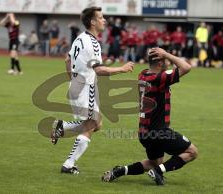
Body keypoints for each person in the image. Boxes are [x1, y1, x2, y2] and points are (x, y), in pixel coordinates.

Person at [50, 7, 134, 174]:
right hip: (85, 88)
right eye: (101, 18)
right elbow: (100, 70)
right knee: (92, 124)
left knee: (97, 124)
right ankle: (68, 164)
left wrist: (73, 80)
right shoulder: (93, 42)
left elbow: (67, 59)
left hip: (76, 85)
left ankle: (63, 126)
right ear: (93, 22)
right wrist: (122, 69)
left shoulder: (79, 38)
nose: (105, 21)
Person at [102, 47, 198, 185]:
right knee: (192, 152)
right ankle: (158, 172)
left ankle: (119, 171)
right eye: (166, 60)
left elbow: (175, 69)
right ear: (160, 63)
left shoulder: (143, 74)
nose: (169, 63)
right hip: (159, 132)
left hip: (144, 132)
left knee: (154, 162)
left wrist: (164, 55)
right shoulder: (159, 78)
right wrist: (166, 54)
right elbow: (186, 67)